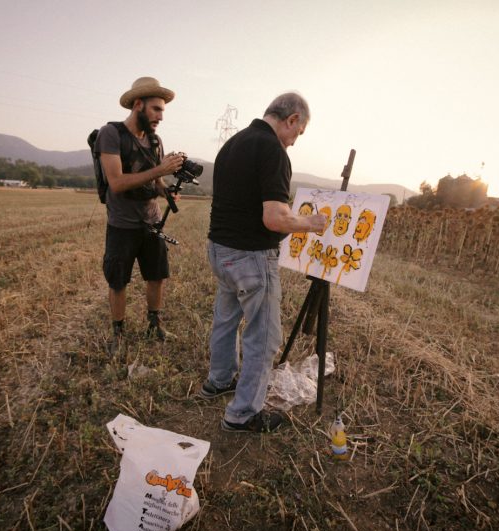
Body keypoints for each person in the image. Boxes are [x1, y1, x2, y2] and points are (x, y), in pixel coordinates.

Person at [201, 92, 327, 433]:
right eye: (297, 134)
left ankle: (219, 379)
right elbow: (274, 218)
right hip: (249, 257)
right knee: (265, 337)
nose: (293, 142)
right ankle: (242, 414)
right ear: (292, 120)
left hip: (220, 250)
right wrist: (309, 223)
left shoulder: (234, 143)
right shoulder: (273, 150)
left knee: (226, 320)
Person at [94, 77, 185, 353]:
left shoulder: (154, 140)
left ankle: (154, 325)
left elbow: (155, 180)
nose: (160, 116)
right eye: (156, 109)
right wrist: (161, 171)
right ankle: (118, 332)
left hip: (151, 221)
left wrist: (166, 191)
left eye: (163, 111)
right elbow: (117, 183)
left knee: (157, 275)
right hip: (122, 224)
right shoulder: (111, 134)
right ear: (138, 105)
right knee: (118, 279)